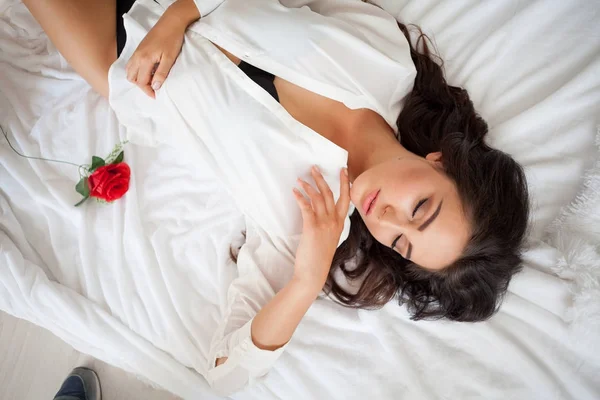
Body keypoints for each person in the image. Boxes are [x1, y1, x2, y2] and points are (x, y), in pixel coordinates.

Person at [22, 0, 530, 395]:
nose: (389, 217)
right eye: (421, 207)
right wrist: (183, 12)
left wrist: (307, 280)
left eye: (399, 242)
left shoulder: (303, 226)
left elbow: (225, 373)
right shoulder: (386, 58)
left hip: (120, 54)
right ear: (440, 162)